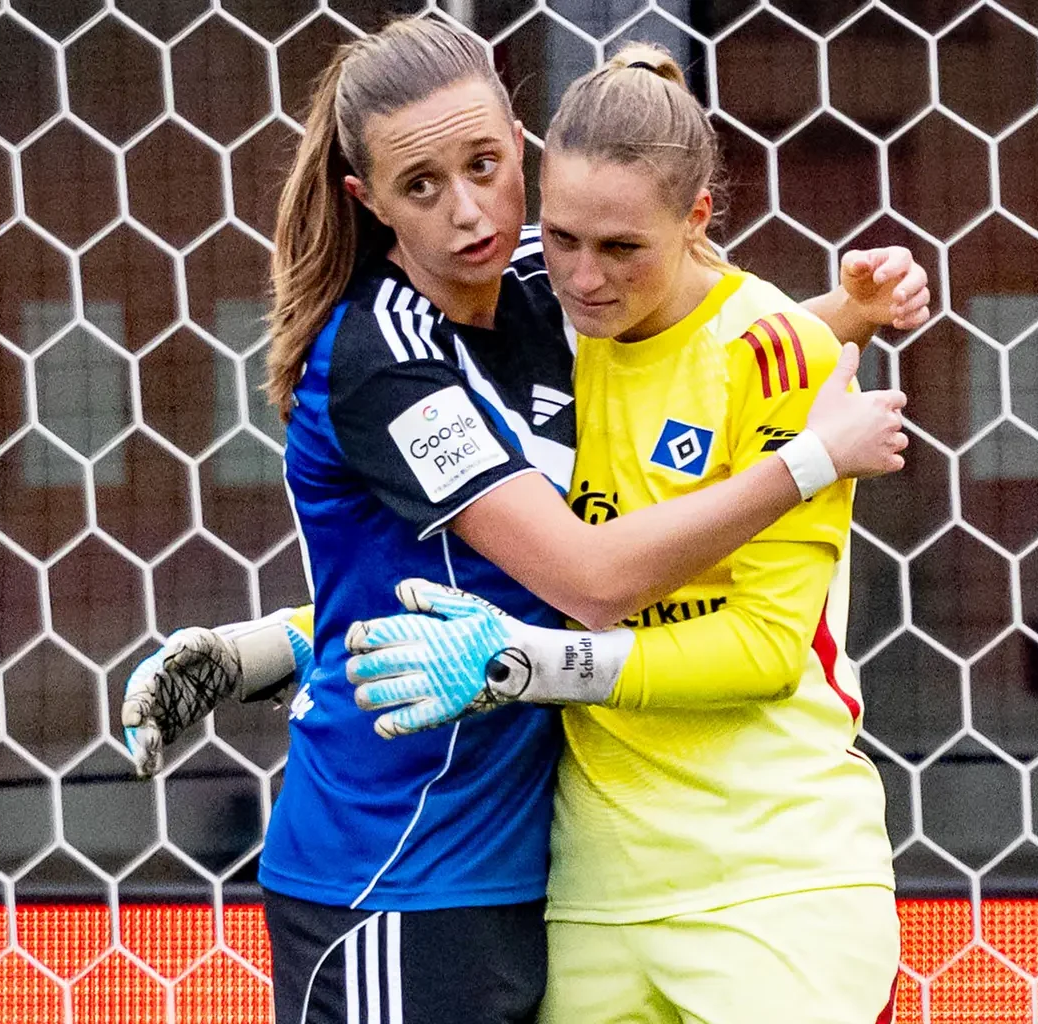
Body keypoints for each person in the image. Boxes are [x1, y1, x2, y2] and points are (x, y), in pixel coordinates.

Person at [118, 19, 926, 1024]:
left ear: (521, 143)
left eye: (486, 165)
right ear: (368, 200)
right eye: (422, 186)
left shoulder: (554, 280)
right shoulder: (382, 359)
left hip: (529, 866)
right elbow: (584, 579)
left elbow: (684, 365)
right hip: (392, 866)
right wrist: (808, 460)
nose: (469, 212)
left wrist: (840, 318)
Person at [343, 46, 899, 1023]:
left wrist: (533, 664)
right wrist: (276, 643)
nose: (584, 279)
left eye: (620, 249)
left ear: (696, 220)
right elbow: (499, 574)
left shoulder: (780, 353)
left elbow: (762, 650)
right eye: (559, 239)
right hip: (589, 896)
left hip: (776, 880)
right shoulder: (553, 344)